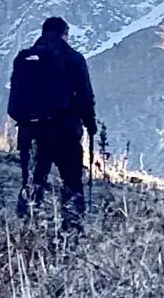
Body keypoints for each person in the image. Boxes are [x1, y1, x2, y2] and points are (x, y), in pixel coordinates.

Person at [8, 15, 98, 231]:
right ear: (65, 35)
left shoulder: (25, 58)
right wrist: (90, 124)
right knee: (71, 182)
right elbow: (85, 96)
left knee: (32, 182)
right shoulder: (74, 58)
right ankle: (72, 230)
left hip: (29, 131)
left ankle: (25, 228)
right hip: (63, 132)